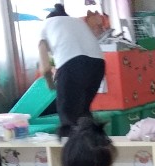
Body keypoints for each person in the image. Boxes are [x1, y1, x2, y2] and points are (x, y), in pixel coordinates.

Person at [39, 3, 106, 138]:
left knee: (68, 116)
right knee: (83, 112)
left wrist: (51, 84)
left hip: (72, 62)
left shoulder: (44, 26)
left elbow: (45, 67)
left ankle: (73, 148)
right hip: (98, 64)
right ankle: (94, 144)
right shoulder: (78, 22)